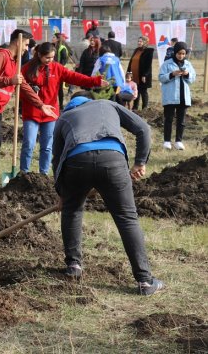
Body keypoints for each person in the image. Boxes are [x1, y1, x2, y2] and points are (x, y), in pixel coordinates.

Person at [51, 91, 164, 296]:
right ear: (90, 100)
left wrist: (63, 194)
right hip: (113, 160)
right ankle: (145, 282)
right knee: (127, 218)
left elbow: (57, 160)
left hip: (76, 163)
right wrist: (140, 162)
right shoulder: (106, 104)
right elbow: (143, 128)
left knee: (72, 211)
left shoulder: (64, 118)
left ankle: (73, 266)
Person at [0, 29, 57, 184]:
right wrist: (9, 81)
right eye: (25, 44)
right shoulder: (1, 55)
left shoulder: (14, 61)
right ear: (17, 41)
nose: (26, 48)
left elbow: (22, 84)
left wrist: (41, 105)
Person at [19, 42, 106, 174]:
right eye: (47, 58)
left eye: (52, 57)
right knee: (28, 145)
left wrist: (95, 81)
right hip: (32, 112)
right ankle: (23, 173)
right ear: (39, 55)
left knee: (47, 147)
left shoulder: (57, 68)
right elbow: (21, 89)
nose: (50, 60)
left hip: (50, 114)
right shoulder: (26, 68)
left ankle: (43, 174)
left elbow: (75, 77)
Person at [159, 42, 196, 151]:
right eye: (179, 53)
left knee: (181, 120)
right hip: (170, 96)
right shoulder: (166, 64)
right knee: (169, 119)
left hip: (183, 96)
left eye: (183, 54)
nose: (181, 56)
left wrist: (187, 74)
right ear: (175, 53)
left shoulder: (188, 64)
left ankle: (178, 141)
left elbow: (193, 78)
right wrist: (172, 74)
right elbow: (161, 78)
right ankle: (167, 141)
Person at [126, 36, 154, 110]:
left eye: (141, 41)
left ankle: (145, 108)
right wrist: (128, 72)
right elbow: (131, 62)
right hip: (134, 74)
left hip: (142, 75)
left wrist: (144, 75)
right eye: (138, 41)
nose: (139, 43)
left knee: (143, 91)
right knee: (136, 90)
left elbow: (148, 65)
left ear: (145, 42)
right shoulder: (136, 50)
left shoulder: (148, 51)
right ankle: (135, 107)